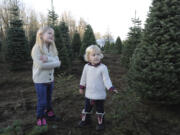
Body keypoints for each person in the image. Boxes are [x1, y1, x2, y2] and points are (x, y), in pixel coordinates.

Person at [78, 45, 118, 131]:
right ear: (88, 57)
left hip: (99, 94)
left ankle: (101, 123)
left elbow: (106, 80)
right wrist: (81, 87)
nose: (96, 56)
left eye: (98, 54)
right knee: (87, 108)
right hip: (89, 94)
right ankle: (86, 120)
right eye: (93, 55)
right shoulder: (86, 67)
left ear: (101, 56)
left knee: (100, 109)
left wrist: (111, 87)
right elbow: (83, 78)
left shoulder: (103, 68)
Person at [31, 26, 61, 126]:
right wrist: (55, 61)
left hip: (50, 80)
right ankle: (40, 117)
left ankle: (49, 113)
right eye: (49, 33)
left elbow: (58, 62)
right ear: (40, 35)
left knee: (48, 99)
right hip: (40, 81)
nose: (52, 35)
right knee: (42, 101)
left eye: (53, 34)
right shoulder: (36, 49)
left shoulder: (52, 48)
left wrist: (48, 58)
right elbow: (41, 65)